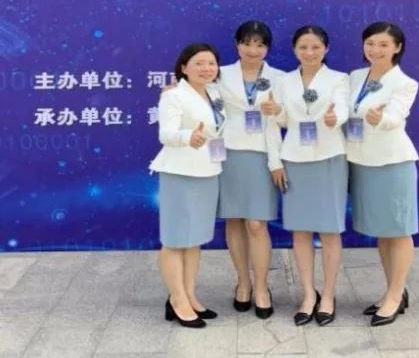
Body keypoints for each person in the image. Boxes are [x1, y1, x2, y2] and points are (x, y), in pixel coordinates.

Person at [268, 25, 350, 326]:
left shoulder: (339, 79)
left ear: (326, 49)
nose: (310, 52)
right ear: (294, 49)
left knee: (329, 230)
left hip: (329, 157)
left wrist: (334, 118)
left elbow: (342, 108)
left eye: (316, 47)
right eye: (303, 47)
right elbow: (279, 121)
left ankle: (328, 295)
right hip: (294, 158)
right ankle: (308, 294)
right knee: (300, 230)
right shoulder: (283, 81)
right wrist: (275, 112)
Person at [345, 22, 419, 327]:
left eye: (384, 45)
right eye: (370, 43)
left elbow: (395, 116)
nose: (375, 50)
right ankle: (393, 290)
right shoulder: (355, 76)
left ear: (397, 48)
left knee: (398, 230)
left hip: (392, 164)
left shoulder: (405, 83)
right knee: (382, 231)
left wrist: (381, 118)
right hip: (361, 162)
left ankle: (395, 294)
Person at [149, 43, 225, 328]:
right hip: (180, 172)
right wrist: (187, 137)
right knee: (175, 239)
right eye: (198, 63)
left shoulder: (215, 93)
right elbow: (165, 134)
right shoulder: (174, 96)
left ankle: (190, 295)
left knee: (194, 239)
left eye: (211, 63)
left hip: (209, 170)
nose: (206, 68)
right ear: (184, 67)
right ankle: (177, 300)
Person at [216, 20, 285, 318]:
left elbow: (285, 121)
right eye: (247, 43)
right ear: (237, 44)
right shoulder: (220, 74)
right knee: (233, 220)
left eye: (259, 44)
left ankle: (262, 287)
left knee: (257, 224)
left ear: (267, 48)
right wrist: (174, 90)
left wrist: (278, 113)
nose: (253, 50)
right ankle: (243, 283)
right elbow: (204, 105)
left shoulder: (279, 78)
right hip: (227, 154)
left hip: (261, 155)